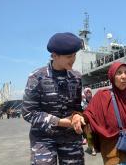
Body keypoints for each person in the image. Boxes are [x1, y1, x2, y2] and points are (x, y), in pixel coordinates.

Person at [72, 62, 126, 165]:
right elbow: (89, 114)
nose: (124, 76)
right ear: (112, 76)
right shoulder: (102, 96)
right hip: (115, 155)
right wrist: (78, 116)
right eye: (119, 73)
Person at [22, 32, 84, 165]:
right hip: (44, 138)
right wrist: (61, 122)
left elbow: (77, 107)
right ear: (54, 55)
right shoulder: (37, 77)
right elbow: (29, 112)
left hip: (71, 137)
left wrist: (78, 116)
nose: (73, 59)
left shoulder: (77, 77)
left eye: (74, 55)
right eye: (69, 56)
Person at [81, 87, 96, 156]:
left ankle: (97, 146)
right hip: (87, 122)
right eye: (87, 92)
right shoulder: (83, 103)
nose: (88, 93)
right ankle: (93, 149)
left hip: (96, 121)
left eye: (89, 92)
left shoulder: (95, 100)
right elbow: (82, 112)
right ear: (85, 94)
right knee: (89, 135)